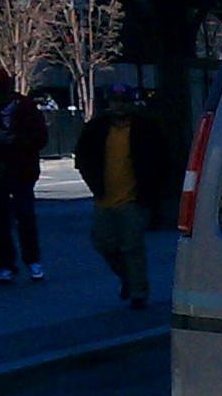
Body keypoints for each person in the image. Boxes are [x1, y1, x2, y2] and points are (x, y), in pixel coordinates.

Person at [73, 83, 170, 308]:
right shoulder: (97, 128)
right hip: (104, 197)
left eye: (123, 101)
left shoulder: (146, 129)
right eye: (115, 101)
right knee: (102, 243)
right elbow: (83, 156)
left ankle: (139, 292)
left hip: (134, 199)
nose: (119, 106)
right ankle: (128, 277)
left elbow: (162, 160)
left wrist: (152, 192)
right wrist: (92, 182)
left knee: (132, 246)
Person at [0, 67, 48, 284]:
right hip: (0, 169)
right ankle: (15, 263)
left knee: (21, 215)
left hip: (17, 168)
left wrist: (14, 140)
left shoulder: (23, 108)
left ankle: (21, 262)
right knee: (4, 218)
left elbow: (40, 137)